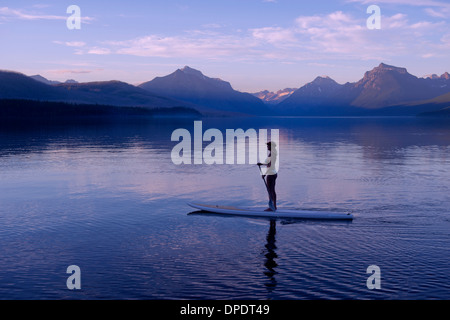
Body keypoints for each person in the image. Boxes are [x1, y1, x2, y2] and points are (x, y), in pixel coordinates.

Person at [257, 141, 278, 211]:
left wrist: (264, 174)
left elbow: (270, 166)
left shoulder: (272, 154)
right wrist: (261, 164)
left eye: (268, 146)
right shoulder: (273, 153)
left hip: (271, 174)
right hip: (274, 173)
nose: (267, 147)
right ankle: (274, 206)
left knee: (270, 191)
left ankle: (271, 207)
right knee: (272, 190)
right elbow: (268, 163)